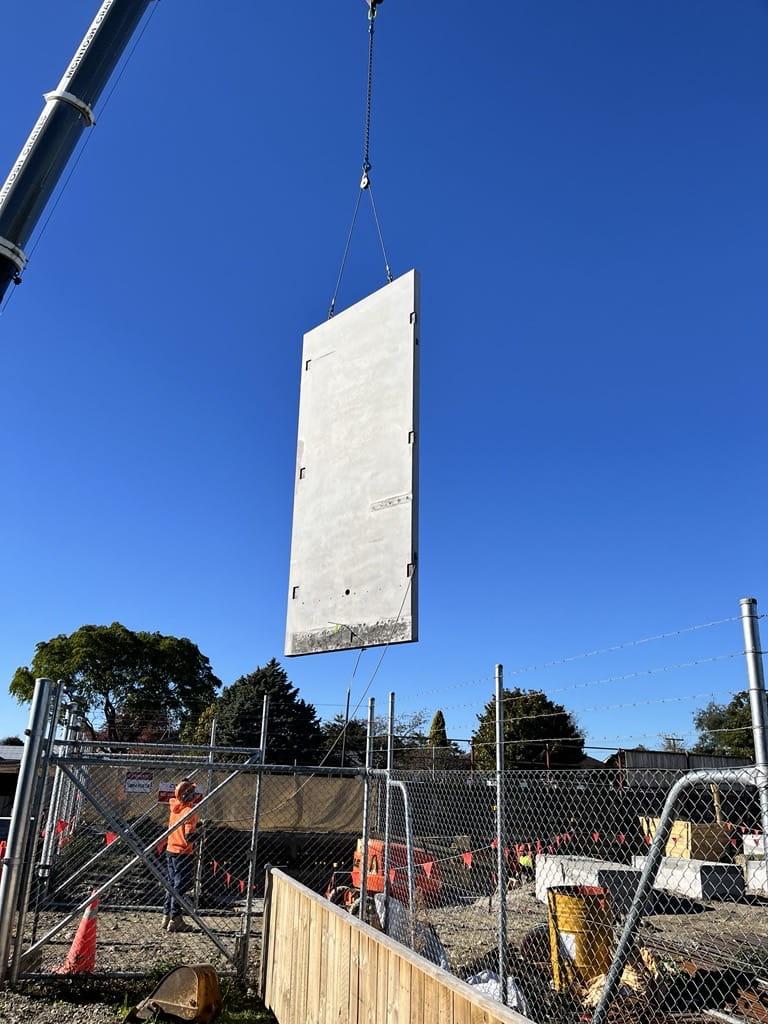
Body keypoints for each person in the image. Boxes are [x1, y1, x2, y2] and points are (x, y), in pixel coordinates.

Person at [162, 779, 201, 932]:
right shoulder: (189, 812)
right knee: (180, 886)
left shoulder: (174, 808)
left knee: (171, 885)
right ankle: (175, 917)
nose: (194, 795)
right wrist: (201, 833)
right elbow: (190, 837)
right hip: (183, 853)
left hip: (170, 850)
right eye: (191, 792)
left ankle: (166, 915)